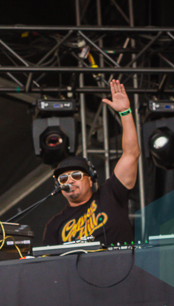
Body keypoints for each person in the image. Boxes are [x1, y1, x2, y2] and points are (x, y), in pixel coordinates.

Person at [42, 79, 140, 247]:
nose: (69, 181)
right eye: (63, 179)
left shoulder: (111, 194)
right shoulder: (54, 225)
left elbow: (131, 154)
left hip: (121, 264)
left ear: (90, 179)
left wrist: (125, 112)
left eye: (76, 175)